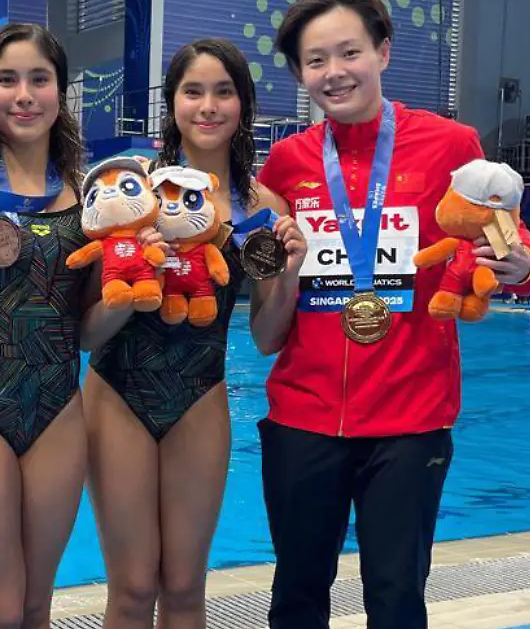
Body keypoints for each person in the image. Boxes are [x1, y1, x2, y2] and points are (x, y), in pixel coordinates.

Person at [250, 0, 530, 629]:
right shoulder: (287, 162)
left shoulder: (450, 144)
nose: (335, 72)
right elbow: (271, 291)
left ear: (383, 52)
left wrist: (521, 265)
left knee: (396, 596)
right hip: (302, 416)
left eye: (349, 51)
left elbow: (506, 238)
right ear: (300, 74)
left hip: (411, 422)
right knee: (296, 593)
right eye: (316, 60)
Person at [0, 23, 158, 629]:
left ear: (61, 91)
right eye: (7, 79)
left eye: (39, 79)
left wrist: (128, 293)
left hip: (57, 407)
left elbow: (88, 332)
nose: (24, 95)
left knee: (35, 607)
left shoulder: (88, 194)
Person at [81, 38, 305, 629]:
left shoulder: (263, 208)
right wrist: (136, 281)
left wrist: (288, 276)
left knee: (183, 589)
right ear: (172, 104)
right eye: (193, 91)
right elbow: (86, 334)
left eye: (223, 92)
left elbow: (265, 337)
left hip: (201, 396)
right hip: (117, 392)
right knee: (131, 588)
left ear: (244, 104)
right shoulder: (130, 191)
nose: (208, 106)